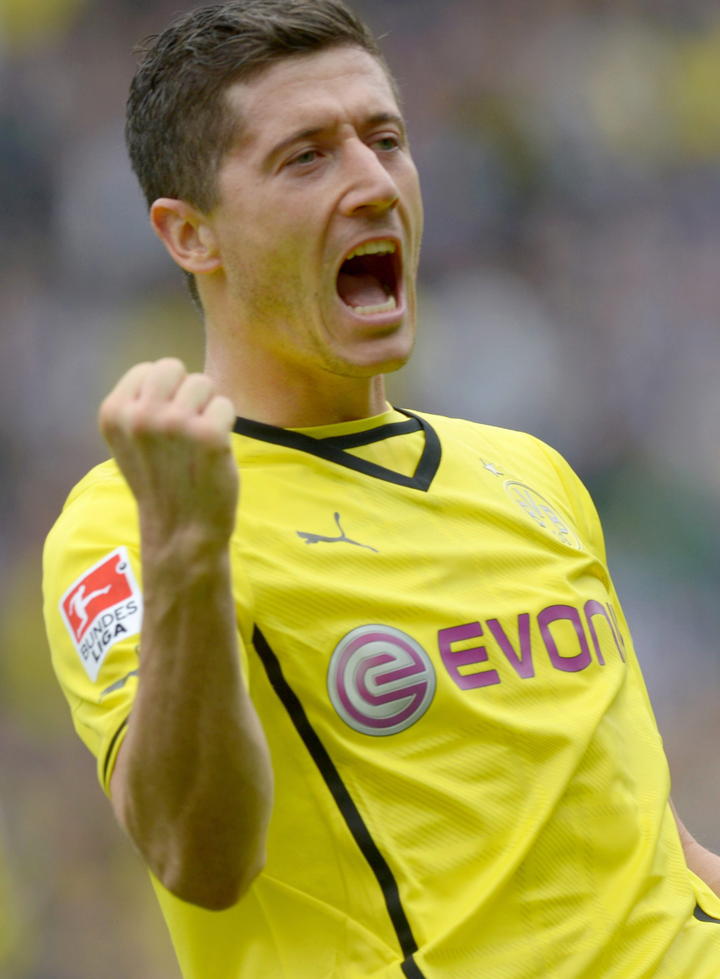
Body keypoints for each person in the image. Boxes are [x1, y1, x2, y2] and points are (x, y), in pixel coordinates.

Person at [42, 1, 720, 976]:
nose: (372, 184)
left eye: (386, 140)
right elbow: (198, 858)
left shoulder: (531, 472)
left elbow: (652, 848)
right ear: (190, 234)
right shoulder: (133, 521)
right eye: (306, 158)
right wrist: (187, 553)